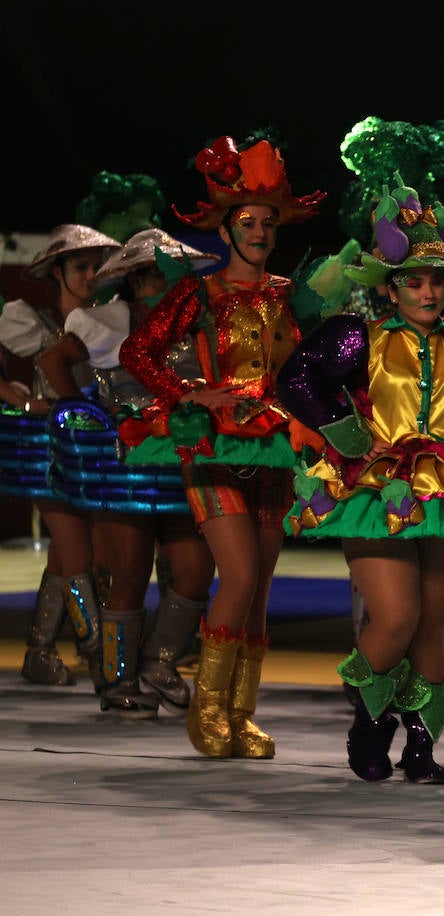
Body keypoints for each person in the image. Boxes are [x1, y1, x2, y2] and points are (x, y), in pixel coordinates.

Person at [278, 174, 444, 783]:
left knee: (430, 625)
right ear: (389, 287)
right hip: (375, 487)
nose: (428, 291)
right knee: (394, 619)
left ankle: (421, 747)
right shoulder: (358, 337)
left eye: (436, 279)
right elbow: (297, 379)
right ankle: (369, 726)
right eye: (414, 280)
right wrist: (346, 431)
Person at [120, 132, 326, 758]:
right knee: (237, 576)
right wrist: (188, 392)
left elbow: (308, 371)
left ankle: (241, 713)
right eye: (248, 222)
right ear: (226, 228)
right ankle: (205, 709)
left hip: (273, 446)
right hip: (214, 448)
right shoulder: (200, 292)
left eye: (268, 222)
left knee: (260, 585)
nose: (260, 232)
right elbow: (137, 352)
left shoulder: (290, 294)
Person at [38, 227, 219, 717]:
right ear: (135, 282)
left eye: (174, 274)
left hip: (181, 465)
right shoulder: (106, 323)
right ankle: (117, 682)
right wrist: (84, 410)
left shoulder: (195, 325)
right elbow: (54, 360)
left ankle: (157, 663)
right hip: (125, 467)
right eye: (157, 275)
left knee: (196, 570)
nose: (167, 283)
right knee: (131, 573)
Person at [0, 223, 120, 688]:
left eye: (96, 267)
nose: (90, 275)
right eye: (80, 266)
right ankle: (100, 655)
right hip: (47, 449)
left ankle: (39, 649)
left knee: (77, 552)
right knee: (77, 549)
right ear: (57, 272)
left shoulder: (108, 321)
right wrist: (19, 398)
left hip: (92, 451)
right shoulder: (31, 321)